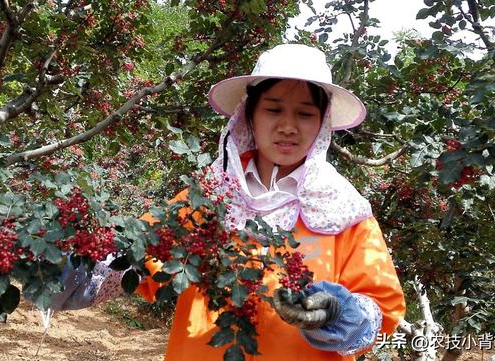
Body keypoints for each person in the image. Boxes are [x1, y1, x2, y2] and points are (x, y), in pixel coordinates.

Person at [52, 44, 406, 360]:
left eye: (304, 113)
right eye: (273, 109)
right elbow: (138, 262)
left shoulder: (344, 212)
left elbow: (381, 316)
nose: (287, 126)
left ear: (322, 123)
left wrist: (337, 314)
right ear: (249, 115)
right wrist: (66, 260)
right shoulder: (207, 198)